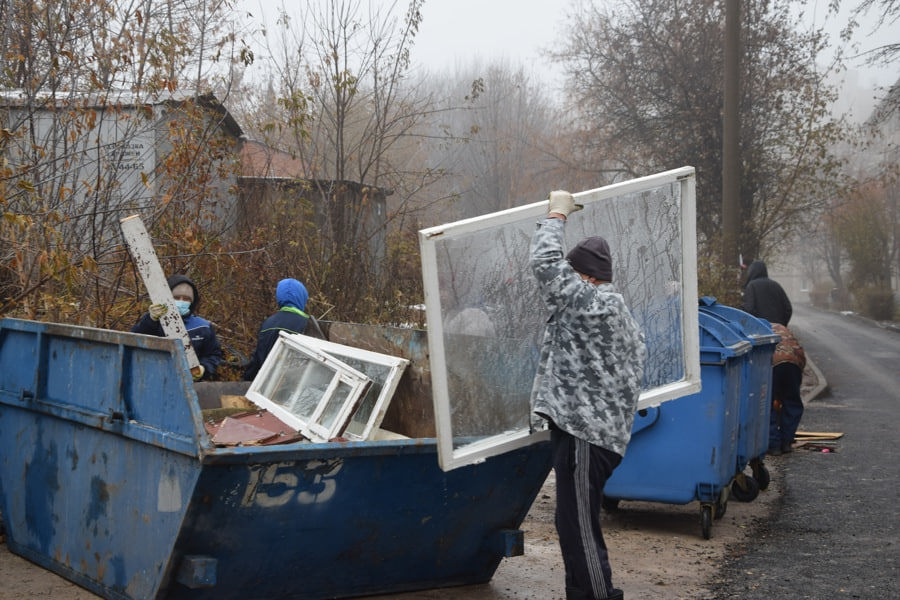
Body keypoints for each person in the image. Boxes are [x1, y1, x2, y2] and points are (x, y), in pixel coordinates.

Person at [529, 190, 646, 600]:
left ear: (587, 278)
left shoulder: (591, 303)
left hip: (586, 436)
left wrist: (557, 214)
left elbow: (544, 263)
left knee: (579, 528)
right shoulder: (615, 312)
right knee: (572, 524)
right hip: (598, 436)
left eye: (572, 274)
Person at [131, 274, 223, 381]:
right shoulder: (155, 320)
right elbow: (135, 342)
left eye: (186, 299)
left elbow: (213, 355)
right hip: (153, 380)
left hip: (189, 384)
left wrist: (203, 368)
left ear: (192, 302)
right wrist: (150, 320)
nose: (181, 301)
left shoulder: (203, 327)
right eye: (176, 298)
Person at [243, 278, 310, 380]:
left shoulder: (268, 323)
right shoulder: (308, 324)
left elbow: (258, 358)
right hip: (294, 387)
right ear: (302, 297)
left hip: (266, 383)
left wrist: (246, 381)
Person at [768, 322, 806, 455]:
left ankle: (773, 444)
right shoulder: (782, 329)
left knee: (766, 403)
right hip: (795, 361)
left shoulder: (756, 329)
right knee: (792, 401)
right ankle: (786, 442)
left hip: (773, 361)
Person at [741, 259, 792, 326]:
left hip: (760, 330)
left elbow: (749, 309)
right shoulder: (776, 285)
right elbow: (788, 309)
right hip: (777, 330)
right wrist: (782, 324)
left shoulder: (752, 286)